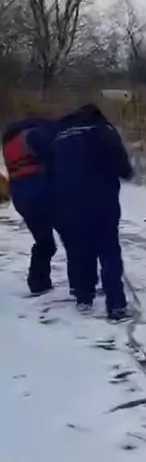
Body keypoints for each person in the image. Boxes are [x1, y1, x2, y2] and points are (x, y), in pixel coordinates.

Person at [52, 104, 134, 321]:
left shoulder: (60, 135)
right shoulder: (102, 130)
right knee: (108, 250)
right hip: (101, 200)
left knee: (80, 249)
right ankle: (116, 305)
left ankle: (83, 297)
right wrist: (125, 172)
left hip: (68, 202)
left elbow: (51, 169)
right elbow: (122, 166)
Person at [2, 117, 74, 295]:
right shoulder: (33, 135)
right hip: (43, 194)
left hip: (22, 199)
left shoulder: (9, 145)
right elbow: (55, 160)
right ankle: (80, 285)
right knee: (73, 239)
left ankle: (38, 283)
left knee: (44, 242)